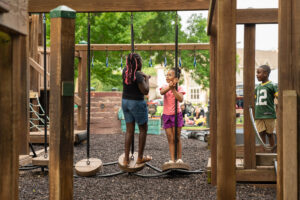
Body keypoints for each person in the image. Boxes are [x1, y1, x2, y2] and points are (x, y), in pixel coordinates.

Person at [122, 53, 152, 166]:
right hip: (137, 103)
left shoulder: (125, 71)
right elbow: (145, 91)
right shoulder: (138, 75)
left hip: (125, 102)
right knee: (143, 129)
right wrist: (147, 78)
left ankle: (126, 159)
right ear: (138, 63)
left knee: (129, 130)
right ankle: (140, 158)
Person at [160, 68, 185, 164]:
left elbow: (180, 99)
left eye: (170, 75)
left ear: (176, 78)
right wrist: (169, 87)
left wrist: (173, 89)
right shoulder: (164, 86)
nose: (167, 76)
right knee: (170, 138)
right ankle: (172, 159)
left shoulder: (179, 88)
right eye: (166, 75)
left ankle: (179, 158)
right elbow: (162, 92)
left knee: (177, 137)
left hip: (176, 115)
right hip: (166, 115)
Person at [255, 65, 278, 148]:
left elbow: (278, 97)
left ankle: (272, 150)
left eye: (258, 73)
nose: (256, 75)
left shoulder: (272, 85)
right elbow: (255, 99)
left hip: (269, 114)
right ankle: (263, 149)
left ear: (265, 73)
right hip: (258, 114)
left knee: (269, 133)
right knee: (261, 133)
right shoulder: (257, 87)